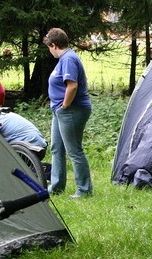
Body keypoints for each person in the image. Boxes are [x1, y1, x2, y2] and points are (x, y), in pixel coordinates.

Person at [43, 28, 93, 199]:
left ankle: (84, 189)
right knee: (57, 148)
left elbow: (72, 85)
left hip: (72, 110)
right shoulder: (64, 59)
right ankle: (56, 187)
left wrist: (64, 105)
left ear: (54, 45)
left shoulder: (69, 59)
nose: (49, 51)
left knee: (74, 150)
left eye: (49, 47)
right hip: (60, 111)